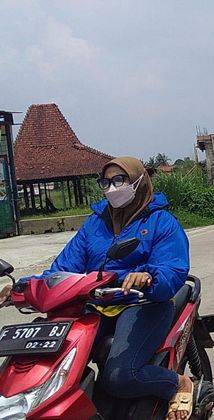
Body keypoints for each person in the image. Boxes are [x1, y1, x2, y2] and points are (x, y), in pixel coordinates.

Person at [39, 157, 193, 420]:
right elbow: (62, 268)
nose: (111, 188)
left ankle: (177, 384)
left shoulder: (161, 222)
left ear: (138, 182)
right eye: (106, 182)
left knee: (121, 377)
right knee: (49, 366)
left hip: (142, 304)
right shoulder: (94, 224)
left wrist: (148, 277)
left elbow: (173, 268)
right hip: (95, 306)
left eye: (119, 180)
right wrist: (27, 286)